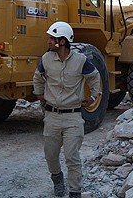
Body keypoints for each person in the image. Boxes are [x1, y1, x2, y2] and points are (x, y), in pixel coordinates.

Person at [33, 21, 101, 198]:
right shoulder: (46, 59)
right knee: (51, 155)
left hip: (73, 117)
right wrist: (39, 94)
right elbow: (38, 77)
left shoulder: (80, 61)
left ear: (62, 41)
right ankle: (57, 179)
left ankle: (75, 191)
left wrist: (94, 96)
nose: (48, 41)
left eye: (52, 38)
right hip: (52, 117)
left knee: (72, 156)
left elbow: (94, 76)